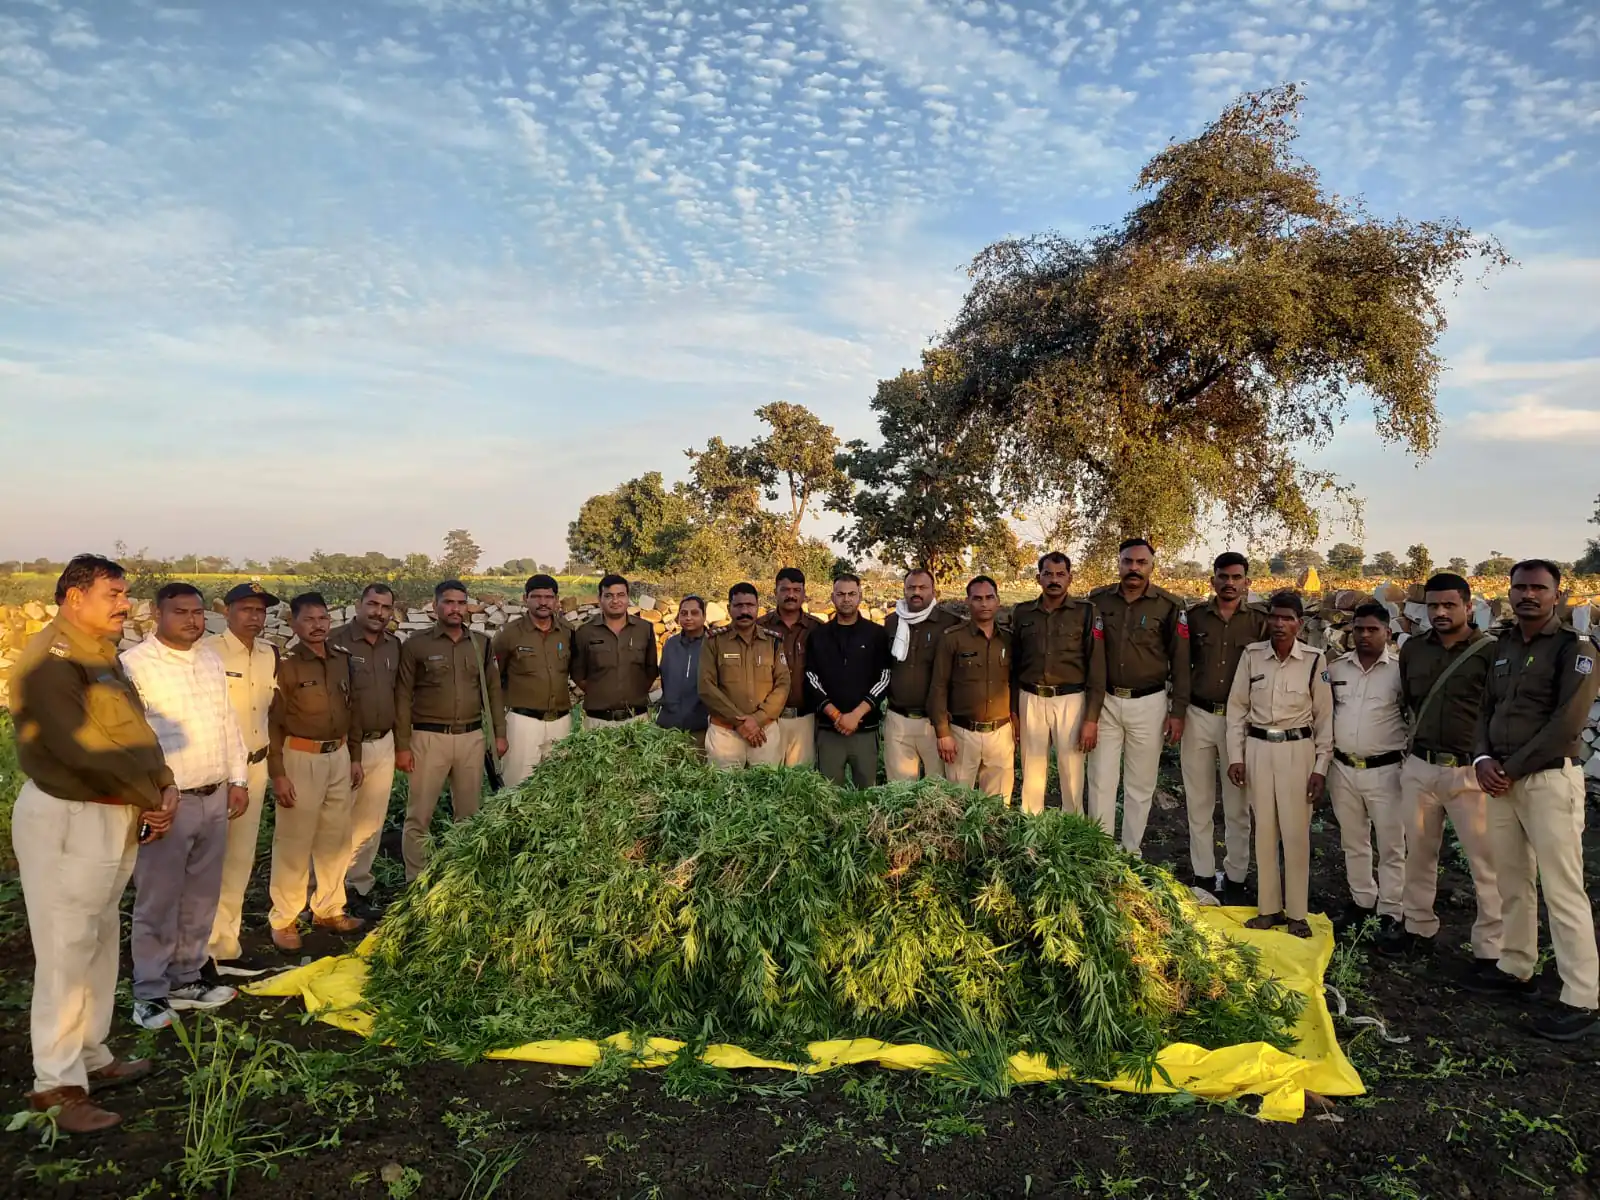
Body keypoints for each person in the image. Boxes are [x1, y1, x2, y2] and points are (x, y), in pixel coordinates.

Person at [10, 554, 172, 1133]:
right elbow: (78, 749)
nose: (125, 604)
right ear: (74, 597)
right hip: (71, 815)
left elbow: (134, 731)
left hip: (113, 812)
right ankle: (55, 1084)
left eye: (125, 594)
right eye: (114, 594)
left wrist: (165, 782)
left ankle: (91, 1054)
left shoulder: (101, 655)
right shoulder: (49, 662)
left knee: (99, 939)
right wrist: (151, 795)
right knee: (65, 948)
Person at [1470, 560, 1600, 1040]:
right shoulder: (1503, 645)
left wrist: (1511, 767)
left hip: (1547, 781)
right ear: (1509, 592)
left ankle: (1582, 997)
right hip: (1501, 779)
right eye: (1520, 587)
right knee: (1512, 879)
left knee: (1563, 890)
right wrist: (1482, 758)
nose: (1528, 595)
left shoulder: (1575, 648)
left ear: (1556, 594)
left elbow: (1568, 722)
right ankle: (1516, 965)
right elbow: (1486, 709)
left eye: (1538, 588)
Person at [122, 583, 249, 1029]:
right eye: (181, 612)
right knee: (158, 899)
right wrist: (147, 797)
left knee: (200, 896)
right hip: (167, 802)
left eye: (197, 613)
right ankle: (149, 991)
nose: (192, 621)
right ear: (157, 615)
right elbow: (131, 739)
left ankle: (187, 977)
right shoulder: (135, 665)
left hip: (214, 795)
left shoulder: (209, 659)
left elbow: (227, 722)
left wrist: (237, 779)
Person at [1383, 572, 1502, 970]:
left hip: (1471, 772)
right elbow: (1409, 700)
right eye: (1433, 605)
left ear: (1469, 606)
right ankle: (1418, 928)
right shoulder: (1414, 650)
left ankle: (1492, 950)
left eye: (1449, 605)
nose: (1440, 612)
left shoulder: (1491, 653)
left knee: (1486, 863)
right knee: (1418, 854)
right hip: (1420, 766)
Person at [1226, 591, 1333, 939]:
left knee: (1296, 834)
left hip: (1297, 750)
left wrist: (1320, 767)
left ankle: (1298, 914)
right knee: (1264, 832)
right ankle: (1269, 908)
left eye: (1287, 618)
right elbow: (1237, 709)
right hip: (1258, 749)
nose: (1279, 624)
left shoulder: (1314, 660)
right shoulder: (1252, 656)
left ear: (1299, 623)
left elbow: (1324, 718)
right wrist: (1236, 756)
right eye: (1274, 616)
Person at [267, 592, 366, 951]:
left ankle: (329, 908)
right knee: (294, 840)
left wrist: (354, 756)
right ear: (293, 623)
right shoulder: (287, 665)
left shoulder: (341, 659)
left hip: (338, 755)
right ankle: (285, 918)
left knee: (336, 837)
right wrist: (278, 772)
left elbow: (352, 710)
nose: (318, 625)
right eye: (309, 619)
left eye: (323, 618)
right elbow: (273, 722)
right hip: (301, 756)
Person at [395, 580, 507, 881]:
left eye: (460, 602)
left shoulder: (481, 643)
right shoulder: (417, 645)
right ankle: (416, 879)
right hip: (429, 738)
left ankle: (460, 877)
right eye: (448, 602)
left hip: (471, 737)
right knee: (420, 814)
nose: (455, 608)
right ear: (435, 605)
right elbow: (403, 696)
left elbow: (493, 692)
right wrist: (402, 745)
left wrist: (499, 734)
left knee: (469, 814)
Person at [1088, 538, 1192, 855]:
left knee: (1140, 784)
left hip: (1149, 703)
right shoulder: (1098, 601)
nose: (1134, 568)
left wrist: (1178, 711)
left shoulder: (1169, 606)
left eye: (1141, 562)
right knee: (1100, 779)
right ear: (1119, 563)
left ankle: (1130, 852)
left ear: (1151, 566)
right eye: (1128, 561)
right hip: (1106, 701)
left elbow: (1181, 661)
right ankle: (1100, 852)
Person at [204, 581, 280, 978]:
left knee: (240, 857)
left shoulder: (269, 654)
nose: (255, 617)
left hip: (256, 766)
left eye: (260, 610)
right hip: (217, 771)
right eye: (247, 609)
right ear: (227, 611)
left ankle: (225, 945)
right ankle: (198, 950)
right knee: (207, 859)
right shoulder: (208, 653)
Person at [1181, 552, 1267, 900]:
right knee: (1198, 800)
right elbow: (1182, 666)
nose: (1229, 583)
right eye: (1223, 577)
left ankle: (1235, 877)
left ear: (1247, 582)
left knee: (1237, 804)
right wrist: (1177, 712)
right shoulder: (1196, 617)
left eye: (1236, 577)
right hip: (1198, 715)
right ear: (1212, 580)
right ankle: (1202, 875)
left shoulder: (1258, 622)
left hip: (1240, 723)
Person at [1325, 603, 1408, 935]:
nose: (1364, 635)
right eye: (1359, 629)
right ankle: (1362, 902)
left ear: (1387, 632)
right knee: (1353, 840)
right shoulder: (1336, 669)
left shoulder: (1400, 672)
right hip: (1343, 768)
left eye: (1372, 629)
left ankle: (1390, 911)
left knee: (1391, 845)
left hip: (1386, 770)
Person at [1011, 552, 1106, 816]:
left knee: (1071, 772)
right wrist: (1014, 710)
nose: (1054, 580)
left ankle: (1072, 828)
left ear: (1069, 578)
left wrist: (1091, 718)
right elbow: (1014, 664)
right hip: (1031, 698)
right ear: (1038, 578)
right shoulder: (1022, 613)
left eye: (1060, 574)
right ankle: (1031, 827)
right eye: (1048, 574)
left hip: (1070, 700)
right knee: (1031, 771)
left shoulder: (1086, 613)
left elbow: (1096, 666)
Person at [329, 583, 401, 919]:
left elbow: (400, 695)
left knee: (371, 821)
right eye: (372, 604)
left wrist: (402, 744)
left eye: (385, 607)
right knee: (334, 821)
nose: (378, 612)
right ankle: (323, 891)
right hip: (345, 747)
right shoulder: (336, 642)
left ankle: (357, 886)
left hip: (383, 742)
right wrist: (352, 753)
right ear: (358, 605)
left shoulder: (393, 645)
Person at [930, 576, 1015, 802]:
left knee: (998, 805)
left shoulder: (1009, 639)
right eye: (977, 598)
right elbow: (939, 686)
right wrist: (943, 732)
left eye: (989, 597)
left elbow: (1014, 683)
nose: (984, 603)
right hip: (962, 733)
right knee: (958, 802)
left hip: (1000, 733)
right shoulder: (953, 639)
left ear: (998, 601)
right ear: (968, 601)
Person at [806, 574, 891, 787]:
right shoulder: (819, 635)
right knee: (829, 793)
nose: (846, 599)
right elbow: (810, 677)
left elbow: (884, 677)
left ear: (860, 596)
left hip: (865, 728)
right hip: (829, 729)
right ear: (832, 597)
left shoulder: (876, 634)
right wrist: (836, 715)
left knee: (867, 793)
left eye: (852, 594)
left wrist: (856, 715)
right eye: (841, 594)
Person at [492, 574, 574, 785]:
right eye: (536, 597)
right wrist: (498, 728)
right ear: (525, 598)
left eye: (548, 597)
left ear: (556, 600)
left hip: (560, 722)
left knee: (558, 785)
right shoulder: (509, 634)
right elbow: (493, 680)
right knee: (517, 785)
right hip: (523, 723)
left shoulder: (567, 632)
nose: (543, 602)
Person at [882, 568, 962, 782]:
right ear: (904, 590)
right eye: (911, 588)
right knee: (899, 791)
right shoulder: (892, 622)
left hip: (935, 723)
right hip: (898, 720)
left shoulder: (950, 624)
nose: (916, 592)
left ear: (934, 591)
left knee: (938, 789)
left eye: (922, 587)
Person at [699, 583, 790, 768]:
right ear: (729, 608)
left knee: (767, 784)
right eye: (738, 605)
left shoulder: (772, 642)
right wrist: (739, 722)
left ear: (758, 607)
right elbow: (706, 686)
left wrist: (757, 720)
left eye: (750, 605)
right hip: (724, 734)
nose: (744, 611)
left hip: (764, 732)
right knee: (723, 786)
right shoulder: (714, 641)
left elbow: (783, 684)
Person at [572, 574, 658, 730]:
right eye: (608, 596)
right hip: (597, 722)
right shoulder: (585, 632)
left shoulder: (644, 629)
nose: (615, 600)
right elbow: (578, 674)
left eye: (620, 595)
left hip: (637, 720)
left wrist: (633, 693)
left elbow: (651, 671)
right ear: (600, 599)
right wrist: (602, 692)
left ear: (628, 598)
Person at [759, 567, 822, 766]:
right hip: (769, 720)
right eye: (785, 590)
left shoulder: (817, 628)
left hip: (805, 719)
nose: (791, 595)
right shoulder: (760, 628)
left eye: (796, 590)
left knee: (800, 778)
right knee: (767, 775)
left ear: (804, 593)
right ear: (775, 592)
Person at [657, 596, 711, 751]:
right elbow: (666, 678)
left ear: (704, 616)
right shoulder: (671, 644)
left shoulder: (713, 644)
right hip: (669, 727)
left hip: (701, 728)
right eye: (684, 613)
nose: (688, 617)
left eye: (694, 613)